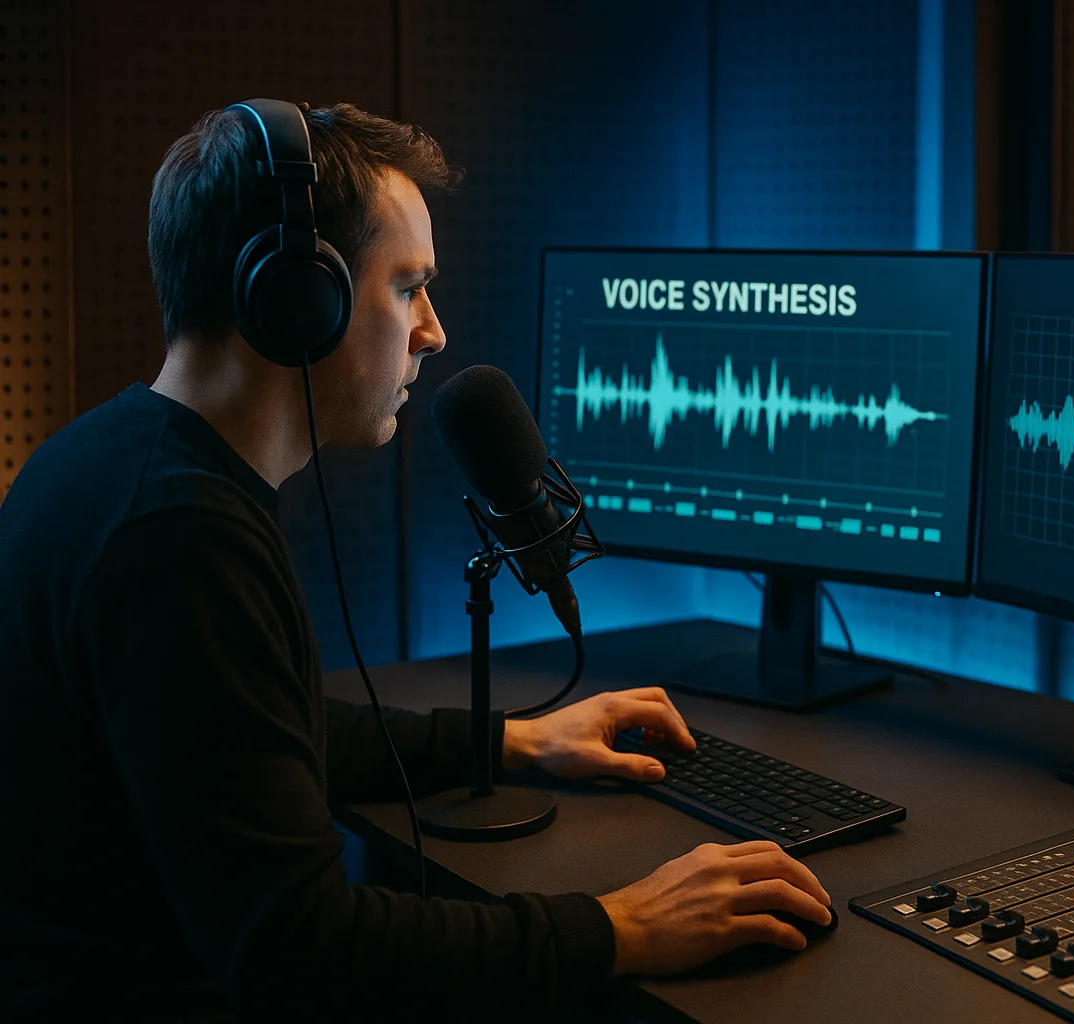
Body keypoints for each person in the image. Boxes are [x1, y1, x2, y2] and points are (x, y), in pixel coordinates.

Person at [0, 101, 831, 1021]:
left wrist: (506, 740)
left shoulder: (109, 465)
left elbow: (255, 738)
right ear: (293, 299)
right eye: (407, 286)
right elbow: (301, 951)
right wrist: (621, 926)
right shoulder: (177, 536)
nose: (433, 330)